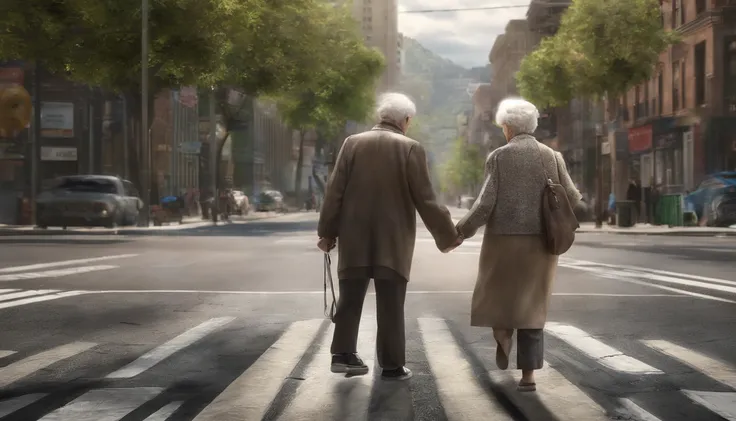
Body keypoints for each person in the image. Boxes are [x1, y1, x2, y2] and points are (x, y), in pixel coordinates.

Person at [317, 92, 460, 381]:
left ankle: (343, 355)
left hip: (354, 236)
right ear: (405, 120)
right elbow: (426, 199)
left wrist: (326, 232)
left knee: (350, 297)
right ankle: (392, 366)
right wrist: (448, 236)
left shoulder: (351, 144)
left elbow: (335, 192)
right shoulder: (411, 148)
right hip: (392, 241)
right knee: (391, 302)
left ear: (381, 116)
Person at [454, 98, 581, 392]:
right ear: (532, 126)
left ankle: (502, 334)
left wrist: (461, 231)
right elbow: (572, 196)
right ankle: (528, 376)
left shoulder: (499, 157)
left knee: (499, 297)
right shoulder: (552, 156)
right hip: (541, 245)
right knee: (533, 307)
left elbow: (485, 204)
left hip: (502, 242)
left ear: (507, 128)